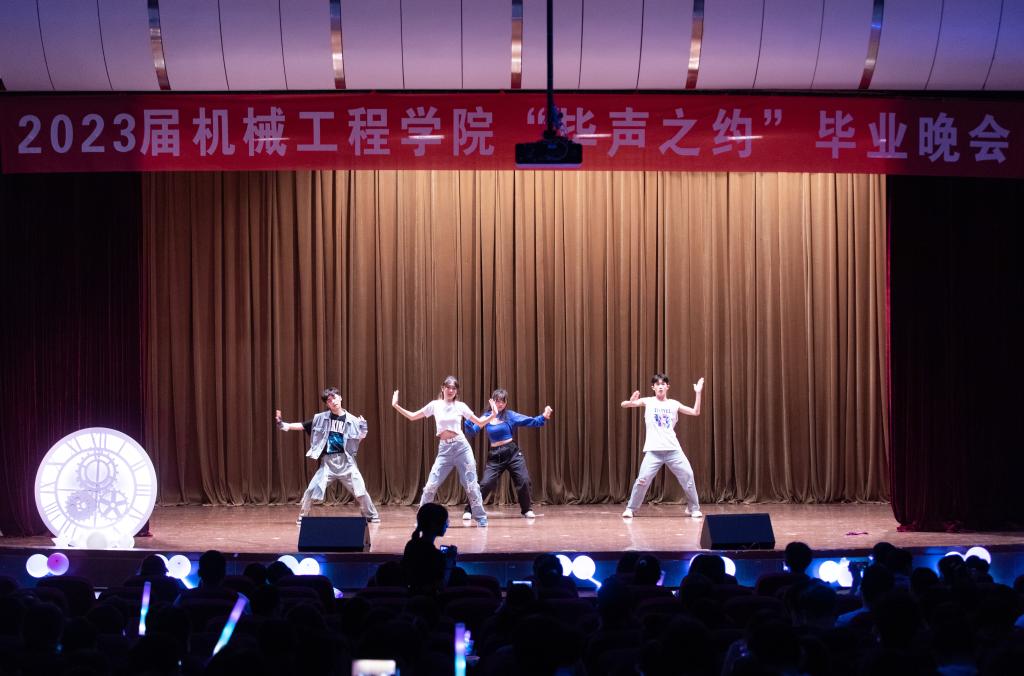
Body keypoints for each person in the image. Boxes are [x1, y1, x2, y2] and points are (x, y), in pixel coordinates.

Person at [392, 376, 495, 526]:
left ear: (456, 391)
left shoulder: (460, 406)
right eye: (448, 387)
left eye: (454, 388)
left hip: (461, 448)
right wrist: (396, 405)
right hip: (444, 450)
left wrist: (493, 415)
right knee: (430, 486)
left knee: (471, 485)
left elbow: (479, 422)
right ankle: (422, 519)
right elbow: (413, 416)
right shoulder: (435, 405)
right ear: (443, 388)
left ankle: (481, 517)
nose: (451, 390)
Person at [275, 386, 380, 525]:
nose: (333, 402)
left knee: (360, 490)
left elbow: (356, 442)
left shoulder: (354, 420)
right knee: (311, 490)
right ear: (327, 404)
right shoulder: (320, 418)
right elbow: (302, 425)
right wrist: (283, 425)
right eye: (329, 401)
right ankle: (303, 516)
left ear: (340, 398)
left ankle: (371, 515)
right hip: (328, 464)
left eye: (334, 398)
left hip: (347, 463)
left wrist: (363, 432)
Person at [620, 373, 704, 519]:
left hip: (673, 450)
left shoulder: (674, 404)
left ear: (667, 387)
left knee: (688, 476)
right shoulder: (648, 401)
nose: (660, 386)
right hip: (654, 451)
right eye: (657, 384)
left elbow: (695, 412)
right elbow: (623, 404)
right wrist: (630, 402)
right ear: (653, 387)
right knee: (642, 480)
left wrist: (698, 393)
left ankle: (693, 508)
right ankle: (631, 509)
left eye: (663, 384)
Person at [461, 388, 553, 520]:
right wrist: (469, 420)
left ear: (506, 403)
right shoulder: (486, 417)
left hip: (512, 453)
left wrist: (543, 416)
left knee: (524, 480)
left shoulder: (510, 415)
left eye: (503, 402)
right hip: (495, 456)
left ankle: (527, 510)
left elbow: (530, 421)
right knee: (486, 484)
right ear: (492, 401)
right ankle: (469, 510)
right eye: (497, 401)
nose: (500, 404)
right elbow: (472, 431)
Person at [401, 503, 458, 595]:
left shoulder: (410, 545)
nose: (447, 525)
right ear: (434, 524)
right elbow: (440, 585)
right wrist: (450, 561)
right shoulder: (434, 555)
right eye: (445, 521)